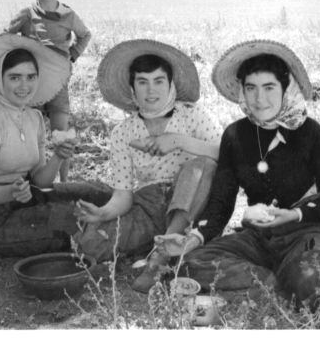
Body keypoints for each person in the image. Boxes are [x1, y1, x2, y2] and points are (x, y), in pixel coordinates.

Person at [155, 39, 320, 310]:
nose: (259, 99)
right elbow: (221, 205)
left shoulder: (310, 133)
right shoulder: (235, 136)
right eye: (251, 88)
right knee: (189, 265)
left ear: (286, 88)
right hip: (261, 237)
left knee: (313, 291)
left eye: (269, 87)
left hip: (308, 230)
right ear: (242, 91)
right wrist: (192, 239)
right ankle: (279, 282)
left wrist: (295, 214)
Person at [72, 39, 222, 292]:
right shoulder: (123, 132)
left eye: (158, 81)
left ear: (171, 84)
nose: (151, 90)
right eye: (142, 82)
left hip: (194, 200)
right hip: (149, 207)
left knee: (202, 165)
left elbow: (225, 154)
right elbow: (123, 195)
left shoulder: (192, 115)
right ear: (132, 88)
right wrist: (103, 213)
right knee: (89, 244)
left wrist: (177, 141)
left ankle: (157, 262)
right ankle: (162, 244)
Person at [0, 33, 93, 257]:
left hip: (29, 198)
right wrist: (11, 193)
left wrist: (59, 157)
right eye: (15, 77)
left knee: (96, 194)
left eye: (31, 77)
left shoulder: (34, 117)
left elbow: (39, 180)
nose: (24, 86)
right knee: (73, 219)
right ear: (0, 78)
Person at [6, 0, 92, 182]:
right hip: (30, 86)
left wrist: (71, 56)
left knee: (61, 135)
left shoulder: (68, 15)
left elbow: (85, 35)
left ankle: (63, 184)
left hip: (58, 85)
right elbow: (5, 38)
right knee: (31, 135)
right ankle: (33, 179)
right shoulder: (26, 15)